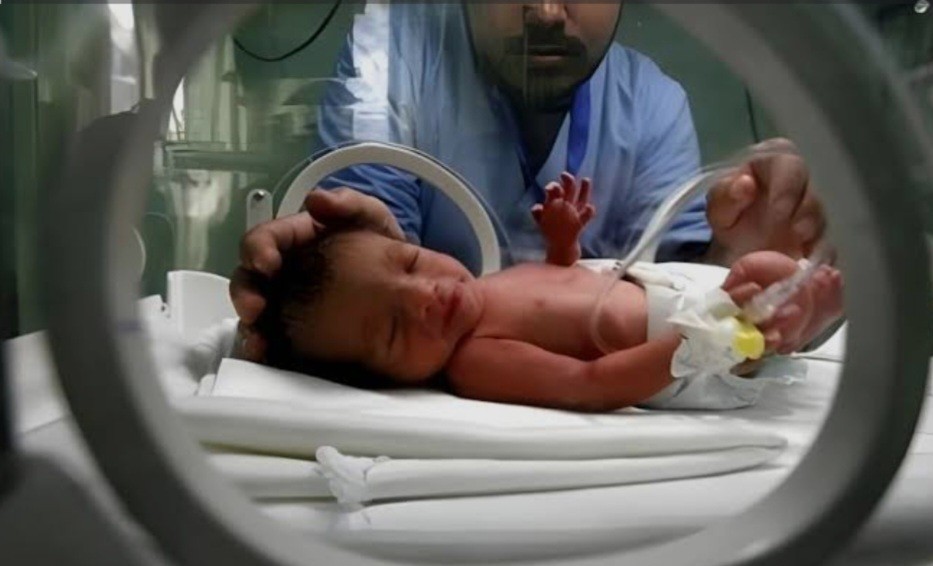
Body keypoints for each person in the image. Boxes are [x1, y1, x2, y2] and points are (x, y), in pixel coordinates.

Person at [232, 2, 827, 361]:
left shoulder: (651, 103)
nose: (545, 12)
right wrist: (340, 277)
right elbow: (365, 287)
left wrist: (749, 257)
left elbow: (682, 305)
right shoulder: (392, 58)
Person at [257, 174, 843, 412]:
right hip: (688, 353)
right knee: (768, 281)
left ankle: (821, 300)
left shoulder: (483, 289)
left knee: (770, 273)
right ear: (384, 381)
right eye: (392, 329)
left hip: (673, 290)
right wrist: (691, 347)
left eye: (409, 262)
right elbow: (587, 382)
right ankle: (813, 311)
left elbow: (561, 285)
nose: (423, 296)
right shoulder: (475, 360)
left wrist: (563, 242)